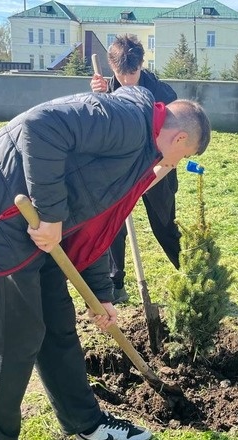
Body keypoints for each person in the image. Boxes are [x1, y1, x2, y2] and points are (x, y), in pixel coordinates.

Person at [0, 86, 211, 440]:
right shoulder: (126, 121)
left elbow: (98, 223)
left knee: (58, 324)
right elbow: (39, 126)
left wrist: (101, 296)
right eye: (179, 157)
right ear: (179, 136)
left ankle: (87, 425)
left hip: (36, 225)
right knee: (13, 333)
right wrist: (52, 216)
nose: (171, 166)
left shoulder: (141, 155)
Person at [91, 33, 181, 304]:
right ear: (112, 68)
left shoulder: (165, 94)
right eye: (121, 73)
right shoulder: (106, 89)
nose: (128, 80)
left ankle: (191, 274)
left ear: (142, 64)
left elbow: (173, 138)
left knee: (164, 224)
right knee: (113, 225)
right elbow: (99, 129)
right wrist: (101, 98)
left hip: (156, 170)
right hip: (119, 170)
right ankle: (115, 283)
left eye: (133, 72)